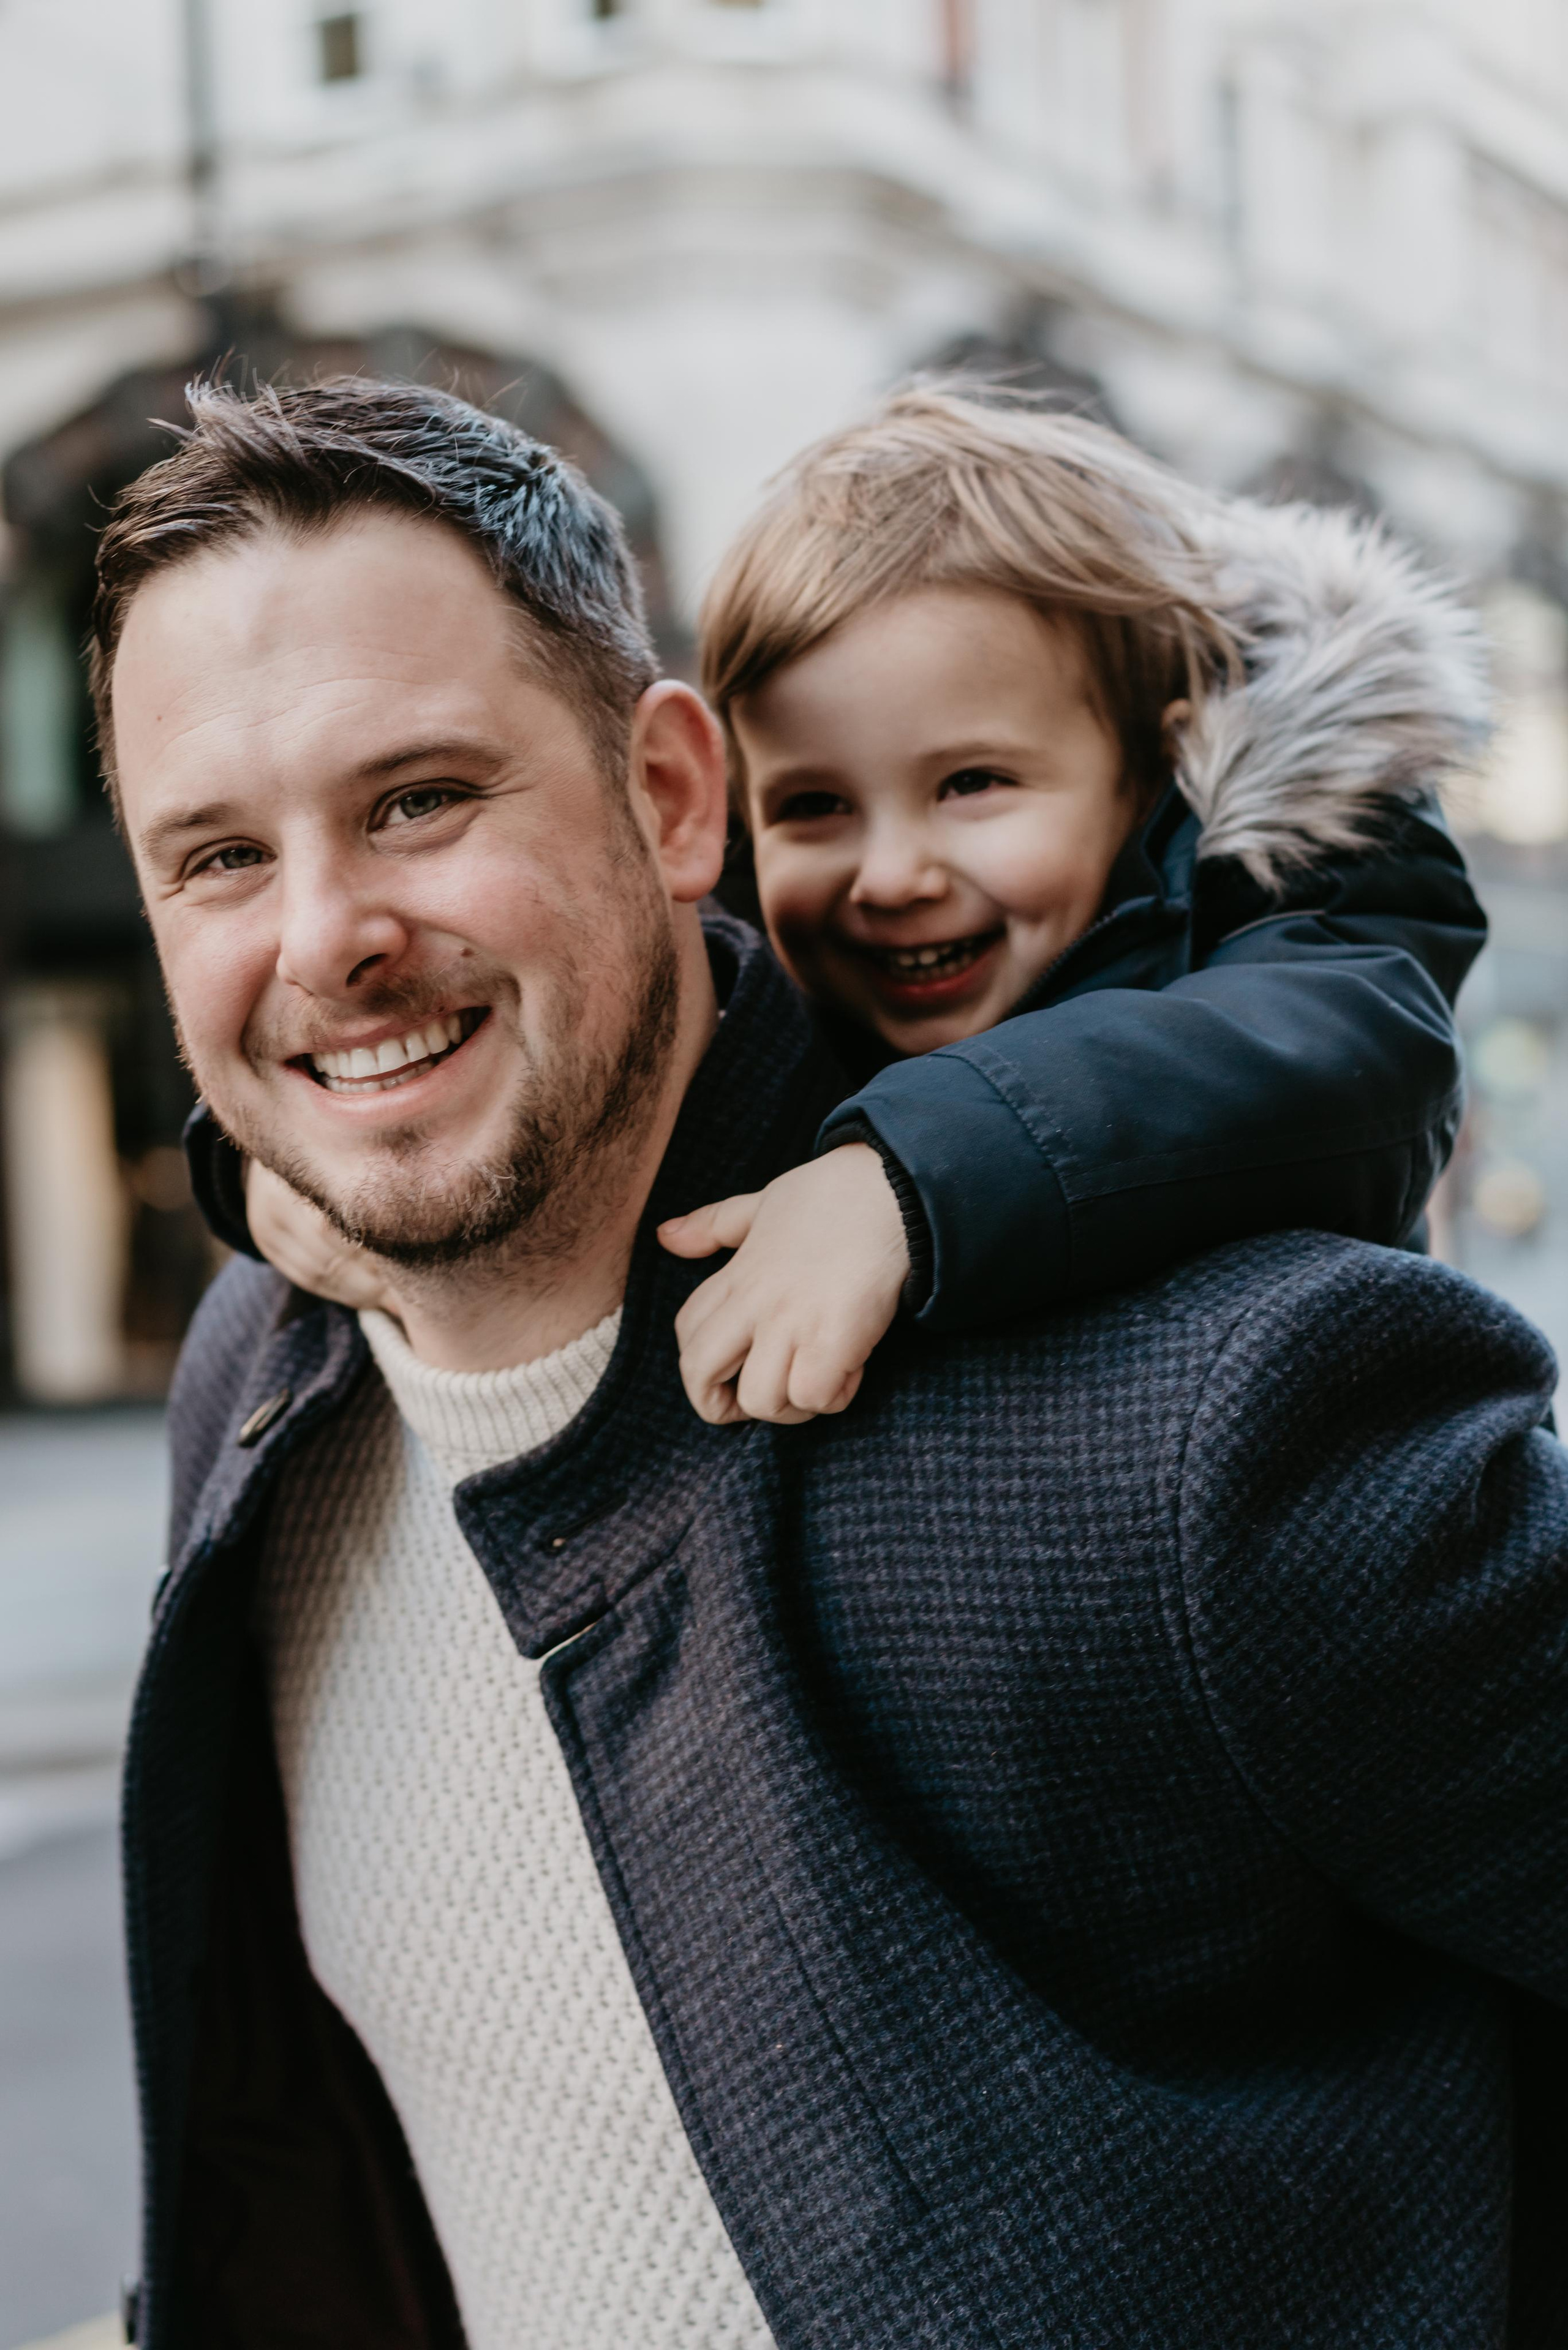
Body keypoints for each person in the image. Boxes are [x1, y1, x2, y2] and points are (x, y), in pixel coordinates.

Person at [106, 377, 1567, 2350]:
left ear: (672, 795)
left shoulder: (1220, 1417)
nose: (327, 933)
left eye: (419, 798)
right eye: (214, 855)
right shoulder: (263, 1367)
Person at [228, 388, 1486, 1431]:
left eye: (971, 784)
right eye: (817, 806)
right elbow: (573, 991)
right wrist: (267, 1163)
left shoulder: (1311, 928)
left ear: (1147, 768)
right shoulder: (772, 927)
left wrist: (903, 1180)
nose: (890, 875)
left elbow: (1339, 1058)